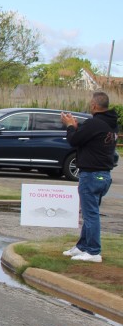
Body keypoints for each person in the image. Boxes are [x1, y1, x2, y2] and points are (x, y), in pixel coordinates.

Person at [62, 91, 118, 263]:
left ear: (94, 105)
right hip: (104, 175)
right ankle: (83, 246)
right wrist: (77, 127)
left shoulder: (94, 123)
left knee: (90, 214)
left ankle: (93, 251)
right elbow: (89, 139)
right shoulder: (111, 124)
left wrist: (70, 126)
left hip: (92, 175)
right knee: (90, 212)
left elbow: (74, 140)